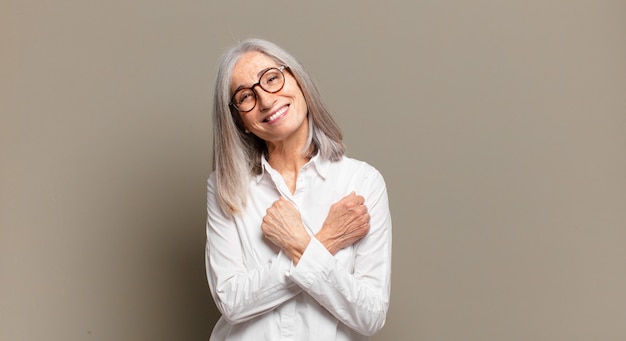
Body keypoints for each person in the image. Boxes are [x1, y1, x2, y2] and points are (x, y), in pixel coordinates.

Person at [205, 38, 392, 341]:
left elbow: (370, 315)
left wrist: (299, 243)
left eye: (272, 78)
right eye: (245, 97)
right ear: (240, 120)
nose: (266, 100)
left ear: (298, 80)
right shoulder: (225, 188)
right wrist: (325, 240)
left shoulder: (362, 182)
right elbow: (232, 302)